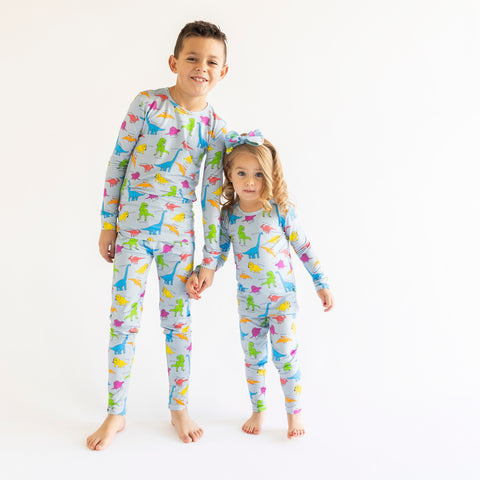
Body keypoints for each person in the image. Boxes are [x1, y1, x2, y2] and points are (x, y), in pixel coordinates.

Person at [87, 20, 229, 450]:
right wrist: (108, 223)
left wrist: (210, 260)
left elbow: (211, 197)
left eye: (211, 62)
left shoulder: (216, 128)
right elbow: (118, 162)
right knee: (123, 320)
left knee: (178, 323)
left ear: (223, 71)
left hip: (178, 240)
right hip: (131, 233)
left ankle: (179, 408)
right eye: (192, 58)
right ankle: (116, 412)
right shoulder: (147, 104)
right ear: (174, 62)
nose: (201, 67)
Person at [187, 130, 335, 439]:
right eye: (242, 173)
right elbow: (219, 254)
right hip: (249, 304)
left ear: (268, 175)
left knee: (285, 358)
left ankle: (294, 413)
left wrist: (320, 282)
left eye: (258, 174)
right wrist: (202, 273)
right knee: (253, 360)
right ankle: (258, 409)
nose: (250, 182)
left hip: (282, 301)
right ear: (229, 173)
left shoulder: (280, 210)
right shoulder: (228, 216)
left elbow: (303, 247)